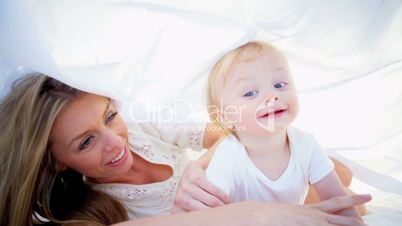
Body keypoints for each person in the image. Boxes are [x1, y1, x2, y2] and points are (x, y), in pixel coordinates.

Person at [0, 73, 371, 226]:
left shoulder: (144, 130)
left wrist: (201, 167)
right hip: (233, 217)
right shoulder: (94, 208)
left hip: (240, 184)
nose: (116, 142)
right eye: (86, 141)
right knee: (336, 195)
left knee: (341, 175)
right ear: (56, 162)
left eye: (110, 116)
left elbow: (225, 129)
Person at [202, 41, 364, 219]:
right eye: (250, 93)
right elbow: (209, 218)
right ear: (226, 117)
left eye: (279, 85)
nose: (272, 96)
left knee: (351, 203)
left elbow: (340, 204)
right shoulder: (228, 157)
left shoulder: (306, 146)